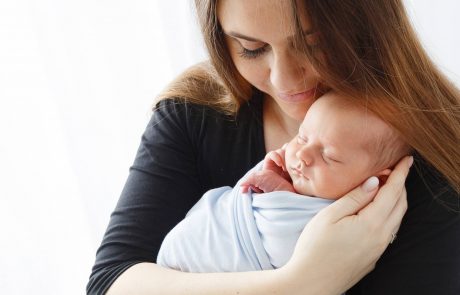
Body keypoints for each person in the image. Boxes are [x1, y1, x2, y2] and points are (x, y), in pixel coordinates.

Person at [87, 0, 460, 294]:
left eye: (313, 45)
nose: (284, 78)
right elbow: (112, 283)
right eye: (251, 48)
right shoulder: (194, 113)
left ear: (369, 26)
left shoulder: (431, 160)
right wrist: (299, 284)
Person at [156, 92, 412, 273]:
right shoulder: (185, 117)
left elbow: (289, 249)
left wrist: (279, 193)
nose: (302, 155)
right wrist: (273, 179)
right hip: (189, 252)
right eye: (301, 137)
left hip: (202, 265)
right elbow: (244, 191)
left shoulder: (350, 217)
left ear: (377, 179)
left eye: (328, 156)